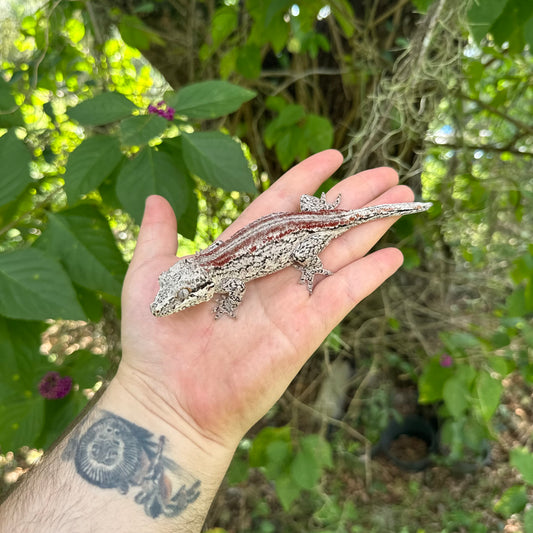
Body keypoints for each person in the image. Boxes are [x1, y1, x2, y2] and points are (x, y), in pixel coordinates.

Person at [0, 150, 417, 532]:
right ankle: (370, 213)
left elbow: (235, 286)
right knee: (318, 230)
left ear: (200, 285)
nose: (169, 303)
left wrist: (309, 249)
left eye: (179, 296)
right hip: (307, 218)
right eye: (171, 292)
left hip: (309, 233)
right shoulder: (211, 264)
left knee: (311, 252)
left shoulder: (223, 277)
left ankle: (390, 211)